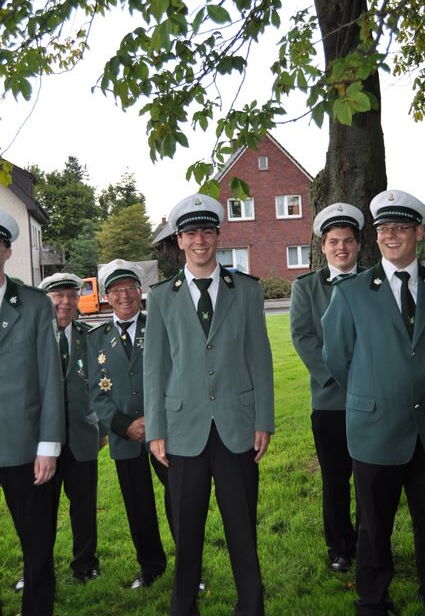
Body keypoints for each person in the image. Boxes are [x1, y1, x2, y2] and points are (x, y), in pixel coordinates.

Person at [143, 194, 275, 616]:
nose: (199, 240)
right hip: (184, 429)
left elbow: (260, 358)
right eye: (190, 233)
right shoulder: (161, 297)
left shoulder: (247, 291)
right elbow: (155, 367)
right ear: (179, 241)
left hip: (237, 426)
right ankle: (184, 608)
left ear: (218, 236)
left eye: (206, 231)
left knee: (242, 527)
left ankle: (250, 606)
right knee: (187, 530)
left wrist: (264, 419)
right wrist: (156, 429)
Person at [322, 190, 425, 615]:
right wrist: (373, 392)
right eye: (384, 229)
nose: (391, 235)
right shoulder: (352, 292)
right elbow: (336, 356)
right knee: (374, 525)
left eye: (400, 227)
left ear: (419, 232)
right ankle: (373, 601)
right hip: (375, 428)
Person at [87, 259, 172, 589]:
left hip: (165, 431)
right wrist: (124, 425)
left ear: (140, 291)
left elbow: (175, 375)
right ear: (107, 296)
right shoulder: (96, 339)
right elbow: (95, 392)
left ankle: (190, 569)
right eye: (116, 290)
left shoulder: (161, 325)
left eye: (130, 288)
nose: (124, 296)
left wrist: (155, 418)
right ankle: (151, 567)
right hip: (125, 436)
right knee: (138, 505)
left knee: (179, 499)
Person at [290, 202, 365, 573]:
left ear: (358, 245)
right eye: (334, 241)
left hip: (372, 401)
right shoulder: (306, 287)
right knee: (335, 480)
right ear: (322, 247)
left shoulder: (375, 282)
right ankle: (340, 548)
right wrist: (339, 377)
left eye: (348, 240)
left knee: (370, 479)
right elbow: (303, 337)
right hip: (330, 400)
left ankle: (370, 544)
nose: (341, 248)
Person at [0, 211, 64, 616]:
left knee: (36, 540)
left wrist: (48, 445)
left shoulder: (35, 304)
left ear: (7, 251)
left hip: (25, 444)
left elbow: (50, 378)